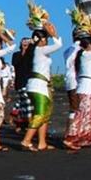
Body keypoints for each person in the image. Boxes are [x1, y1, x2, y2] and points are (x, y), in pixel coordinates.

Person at [20, 23, 62, 152]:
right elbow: (58, 45)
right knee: (40, 114)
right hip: (39, 86)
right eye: (46, 39)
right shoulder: (40, 50)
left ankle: (42, 142)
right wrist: (54, 34)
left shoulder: (35, 51)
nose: (47, 41)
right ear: (41, 39)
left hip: (39, 85)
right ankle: (26, 141)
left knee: (45, 114)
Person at [10, 38, 32, 132]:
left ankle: (21, 123)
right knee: (26, 103)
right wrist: (23, 50)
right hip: (21, 81)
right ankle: (27, 125)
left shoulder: (32, 55)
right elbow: (15, 63)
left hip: (30, 82)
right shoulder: (16, 54)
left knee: (24, 104)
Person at [63, 37, 83, 135]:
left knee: (73, 107)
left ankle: (70, 132)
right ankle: (71, 133)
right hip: (75, 79)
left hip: (69, 78)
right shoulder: (79, 49)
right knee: (76, 107)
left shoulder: (68, 50)